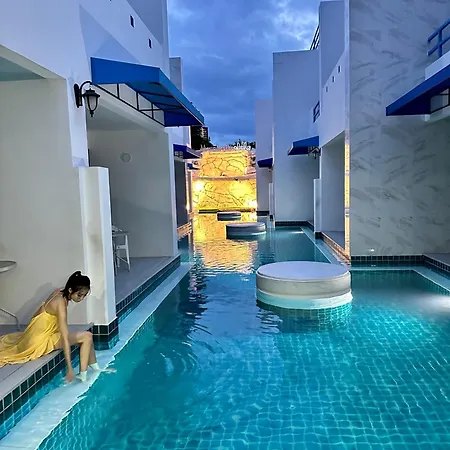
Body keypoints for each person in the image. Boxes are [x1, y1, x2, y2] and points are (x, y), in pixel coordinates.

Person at [0, 271, 100, 383]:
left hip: (38, 335)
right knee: (87, 337)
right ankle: (83, 376)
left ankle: (96, 369)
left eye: (84, 295)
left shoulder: (59, 292)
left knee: (88, 337)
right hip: (39, 341)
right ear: (70, 290)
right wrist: (69, 368)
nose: (81, 298)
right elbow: (65, 337)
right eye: (79, 295)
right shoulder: (60, 304)